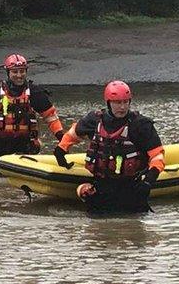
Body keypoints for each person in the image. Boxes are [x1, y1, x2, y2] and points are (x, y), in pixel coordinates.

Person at [54, 80, 165, 216]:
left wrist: (148, 182)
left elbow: (157, 156)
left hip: (131, 187)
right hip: (101, 187)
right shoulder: (94, 120)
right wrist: (61, 150)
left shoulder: (141, 125)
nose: (122, 107)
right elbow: (73, 134)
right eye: (117, 103)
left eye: (126, 102)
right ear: (108, 103)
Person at [0, 53, 64, 172]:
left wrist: (62, 140)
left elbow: (51, 117)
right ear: (8, 73)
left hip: (24, 146)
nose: (19, 75)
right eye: (15, 72)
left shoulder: (34, 92)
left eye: (22, 71)